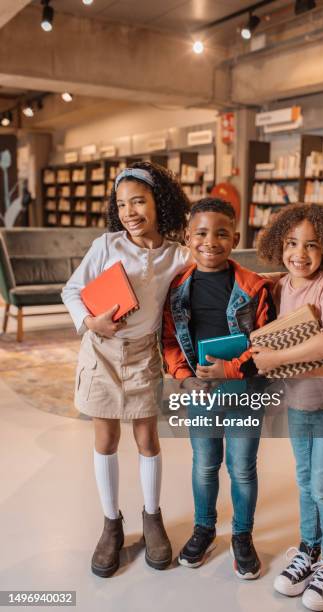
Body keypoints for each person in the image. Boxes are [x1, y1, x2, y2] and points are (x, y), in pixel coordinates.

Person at [62, 161, 191, 577]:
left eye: (139, 201)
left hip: (142, 356)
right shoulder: (106, 245)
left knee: (147, 438)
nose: (130, 211)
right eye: (121, 204)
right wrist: (89, 321)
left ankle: (151, 517)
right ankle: (110, 524)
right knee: (106, 437)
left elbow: (213, 266)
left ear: (160, 202)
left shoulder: (177, 254)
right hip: (101, 350)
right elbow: (72, 290)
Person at [252, 203, 323, 611]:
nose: (300, 253)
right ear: (279, 243)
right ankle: (309, 550)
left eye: (312, 245)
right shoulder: (282, 284)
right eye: (292, 243)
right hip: (299, 402)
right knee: (304, 481)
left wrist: (276, 359)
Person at [162, 197, 276, 580]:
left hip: (245, 391)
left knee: (242, 467)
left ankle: (242, 535)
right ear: (187, 237)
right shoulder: (176, 288)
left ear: (236, 238)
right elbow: (170, 340)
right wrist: (184, 376)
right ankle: (204, 527)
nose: (211, 241)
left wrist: (232, 369)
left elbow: (265, 342)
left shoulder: (254, 287)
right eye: (201, 233)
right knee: (204, 463)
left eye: (222, 233)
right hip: (201, 391)